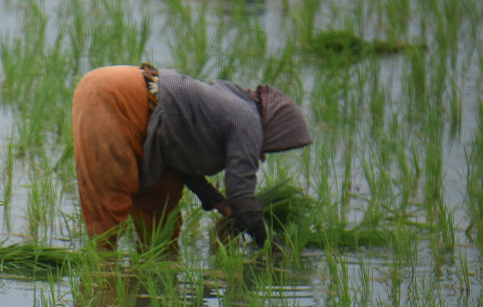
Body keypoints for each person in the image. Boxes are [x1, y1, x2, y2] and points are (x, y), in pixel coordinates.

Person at [72, 63, 313, 249]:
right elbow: (241, 192)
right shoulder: (248, 121)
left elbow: (182, 160)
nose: (267, 151)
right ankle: (101, 295)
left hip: (137, 110)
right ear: (276, 130)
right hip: (116, 99)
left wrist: (220, 203)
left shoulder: (234, 104)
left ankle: (150, 294)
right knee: (107, 218)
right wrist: (269, 242)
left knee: (160, 229)